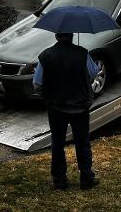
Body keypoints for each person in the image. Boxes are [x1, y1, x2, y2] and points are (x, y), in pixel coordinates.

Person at [33, 32, 100, 190]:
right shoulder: (82, 53)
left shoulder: (46, 56)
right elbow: (93, 72)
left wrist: (48, 97)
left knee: (57, 144)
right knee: (82, 142)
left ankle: (60, 180)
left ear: (56, 36)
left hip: (56, 107)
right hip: (81, 105)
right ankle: (86, 178)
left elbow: (37, 83)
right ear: (71, 36)